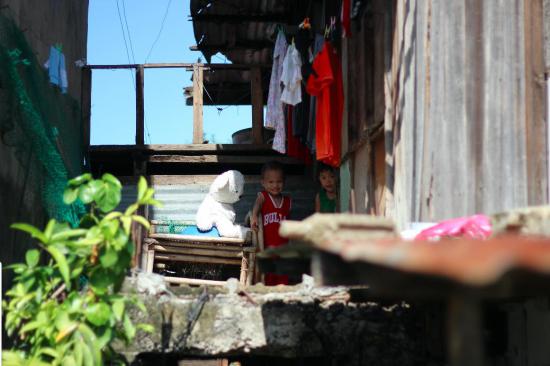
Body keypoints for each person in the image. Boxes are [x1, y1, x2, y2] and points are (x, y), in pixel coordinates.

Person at [251, 161, 291, 285]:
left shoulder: (288, 201)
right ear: (263, 182)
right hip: (267, 247)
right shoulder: (263, 196)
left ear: (284, 182)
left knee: (282, 275)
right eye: (271, 182)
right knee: (268, 275)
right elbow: (257, 205)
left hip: (283, 247)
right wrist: (254, 216)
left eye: (279, 182)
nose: (275, 185)